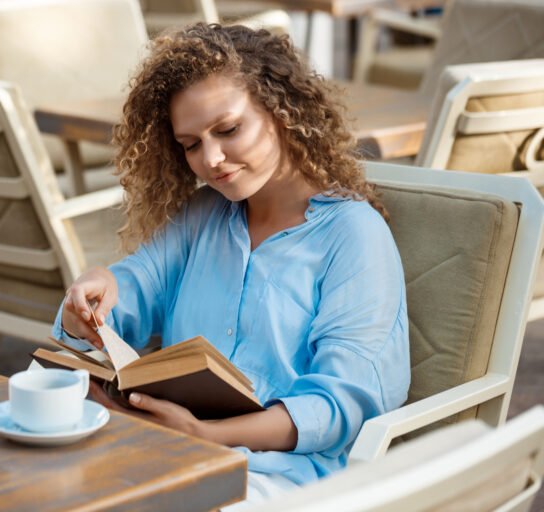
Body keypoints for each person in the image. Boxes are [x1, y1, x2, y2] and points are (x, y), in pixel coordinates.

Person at [52, 22, 410, 506]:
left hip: (283, 478)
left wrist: (205, 436)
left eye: (228, 130)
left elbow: (339, 405)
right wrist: (96, 295)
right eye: (191, 144)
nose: (212, 159)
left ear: (282, 112)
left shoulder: (354, 236)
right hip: (165, 450)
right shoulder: (203, 215)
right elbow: (136, 286)